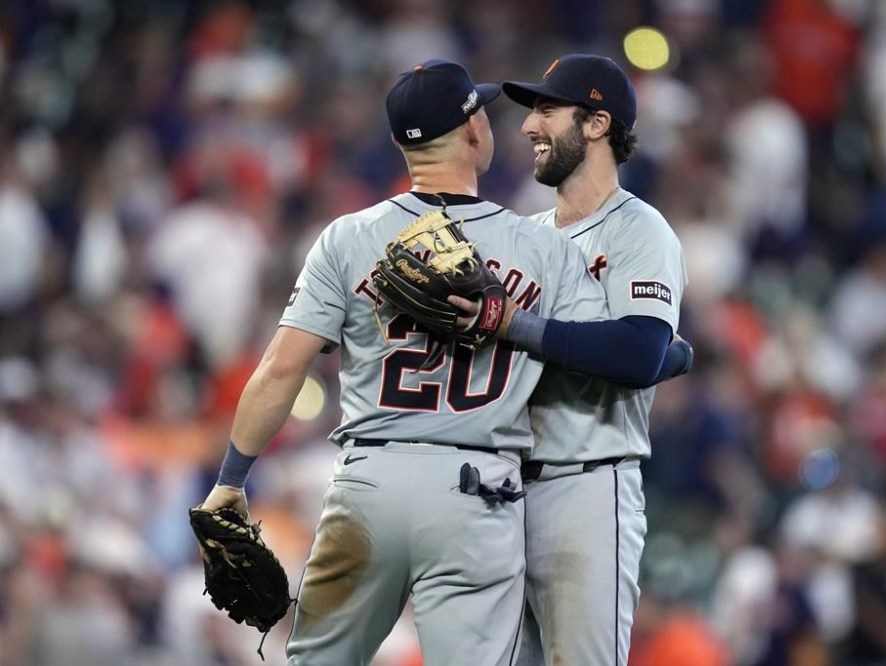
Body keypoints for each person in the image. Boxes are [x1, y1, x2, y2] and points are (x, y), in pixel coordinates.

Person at [196, 58, 612, 666]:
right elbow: (597, 361)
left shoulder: (347, 237)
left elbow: (280, 371)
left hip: (369, 485)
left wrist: (230, 478)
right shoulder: (543, 247)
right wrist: (669, 350)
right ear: (473, 130)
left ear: (399, 142)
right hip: (479, 491)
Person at [454, 53, 689, 665]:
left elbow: (637, 354)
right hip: (501, 494)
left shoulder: (639, 230)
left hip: (586, 486)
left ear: (596, 124)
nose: (530, 126)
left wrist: (514, 325)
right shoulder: (523, 236)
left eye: (548, 109)